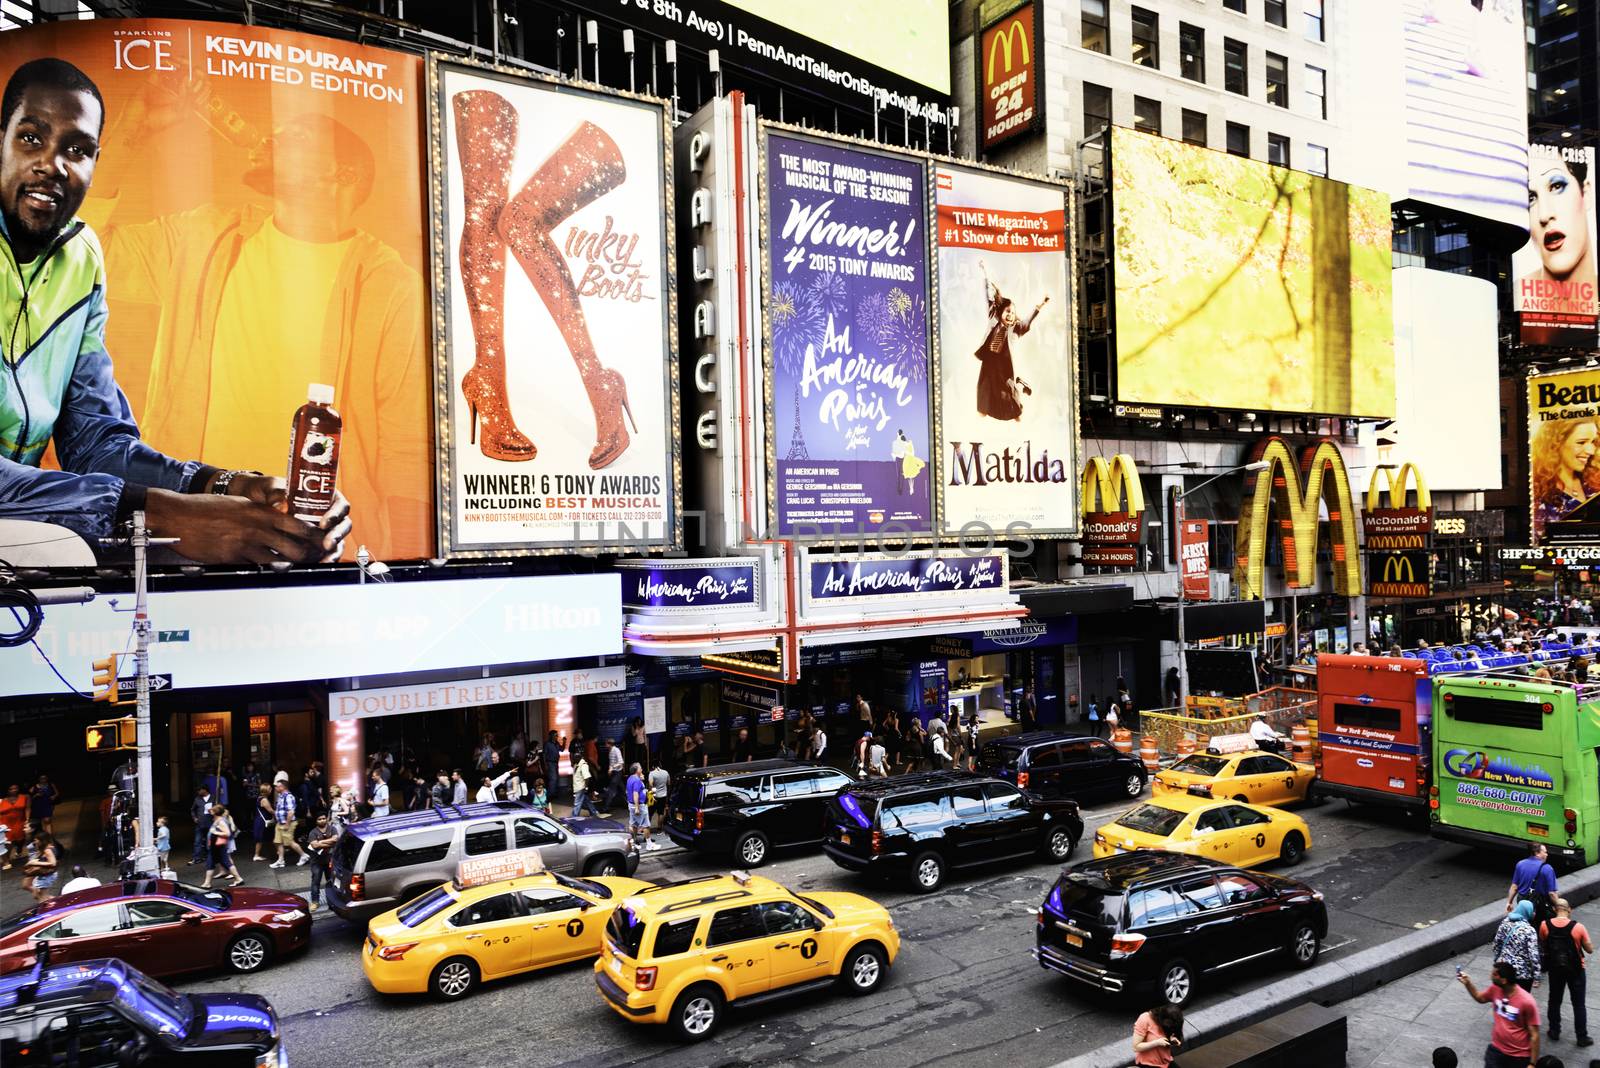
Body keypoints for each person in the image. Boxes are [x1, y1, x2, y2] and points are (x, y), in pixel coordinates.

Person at [0, 60, 355, 563]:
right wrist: (156, 515)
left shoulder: (81, 258)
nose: (53, 165)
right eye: (32, 138)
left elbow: (97, 442)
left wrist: (230, 486)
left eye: (77, 150)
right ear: (1, 139)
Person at [1522, 150, 1595, 318]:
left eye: (1556, 186)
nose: (1544, 216)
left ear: (1586, 193)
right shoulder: (1517, 295)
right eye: (1531, 198)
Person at [974, 259, 1047, 422]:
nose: (1010, 315)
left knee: (1010, 397)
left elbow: (1027, 321)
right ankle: (978, 423)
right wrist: (985, 272)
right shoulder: (993, 318)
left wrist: (1038, 307)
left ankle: (1020, 420)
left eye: (1013, 313)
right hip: (989, 363)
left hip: (1004, 367)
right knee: (984, 393)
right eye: (1007, 311)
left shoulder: (1015, 329)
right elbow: (989, 295)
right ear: (1001, 312)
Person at [1460, 960, 1541, 1068]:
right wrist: (1468, 983)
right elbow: (1480, 998)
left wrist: (1532, 1064)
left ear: (1504, 980)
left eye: (1494, 974)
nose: (1490, 976)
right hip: (1496, 1050)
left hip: (1518, 1057)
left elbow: (1534, 1035)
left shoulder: (1527, 1002)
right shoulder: (1495, 989)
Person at [1531, 419, 1600, 543]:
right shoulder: (1539, 495)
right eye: (1581, 442)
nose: (1590, 450)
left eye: (1593, 442)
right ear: (1556, 444)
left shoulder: (1593, 483)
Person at [1540, 898, 1593, 1046]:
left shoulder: (1545, 925)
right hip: (1576, 970)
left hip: (1555, 969)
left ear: (1555, 909)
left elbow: (1544, 944)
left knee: (1554, 1001)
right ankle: (1582, 1037)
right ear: (1569, 909)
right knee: (1579, 1004)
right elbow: (1589, 949)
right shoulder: (1579, 927)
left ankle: (1554, 1031)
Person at [1495, 900, 1543, 992]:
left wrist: (1497, 959)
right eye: (1532, 910)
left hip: (1504, 969)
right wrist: (1537, 976)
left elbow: (1497, 943)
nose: (1534, 913)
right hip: (1522, 974)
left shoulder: (1504, 922)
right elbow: (1534, 955)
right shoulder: (1529, 930)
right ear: (1527, 912)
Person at [1510, 843, 1560, 921]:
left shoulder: (1520, 864)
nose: (1547, 855)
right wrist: (1559, 907)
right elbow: (1552, 893)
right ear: (1537, 853)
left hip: (1523, 903)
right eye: (1545, 852)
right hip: (1540, 906)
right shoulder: (1547, 868)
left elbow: (1514, 887)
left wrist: (1509, 902)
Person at [200, 804, 241, 888]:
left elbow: (227, 833)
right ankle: (207, 883)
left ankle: (238, 879)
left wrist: (215, 832)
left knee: (224, 862)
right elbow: (208, 811)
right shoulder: (217, 819)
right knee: (212, 863)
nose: (211, 811)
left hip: (218, 846)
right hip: (215, 847)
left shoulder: (221, 821)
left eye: (213, 810)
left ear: (216, 812)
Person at [305, 814, 339, 912]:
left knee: (331, 881)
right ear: (316, 821)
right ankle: (315, 902)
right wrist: (330, 842)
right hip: (317, 862)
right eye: (319, 819)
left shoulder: (332, 829)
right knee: (316, 882)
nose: (322, 820)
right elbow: (314, 846)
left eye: (324, 818)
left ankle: (332, 901)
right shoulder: (313, 832)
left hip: (329, 860)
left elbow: (336, 840)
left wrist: (320, 843)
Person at [269, 781, 308, 868]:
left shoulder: (288, 797)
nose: (275, 788)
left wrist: (287, 824)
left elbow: (291, 812)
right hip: (280, 823)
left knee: (289, 842)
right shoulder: (280, 796)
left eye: (277, 786)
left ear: (282, 787)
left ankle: (303, 855)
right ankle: (281, 860)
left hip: (287, 823)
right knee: (277, 841)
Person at [625, 763, 653, 851]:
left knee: (633, 825)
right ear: (637, 770)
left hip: (631, 804)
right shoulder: (636, 780)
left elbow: (630, 791)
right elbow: (635, 794)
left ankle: (633, 843)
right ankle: (649, 845)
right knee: (646, 825)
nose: (642, 769)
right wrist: (637, 808)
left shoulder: (630, 778)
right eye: (640, 768)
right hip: (639, 805)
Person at [25, 831, 57, 901]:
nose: (35, 842)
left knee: (43, 897)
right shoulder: (46, 848)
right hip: (45, 874)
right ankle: (53, 902)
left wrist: (35, 863)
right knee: (41, 896)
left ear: (42, 840)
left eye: (36, 840)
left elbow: (53, 863)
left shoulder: (47, 850)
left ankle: (49, 907)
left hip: (47, 875)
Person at [0, 784, 26, 869]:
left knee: (20, 839)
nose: (14, 790)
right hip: (4, 824)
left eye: (16, 788)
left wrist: (28, 819)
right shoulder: (1, 800)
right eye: (11, 789)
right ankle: (6, 860)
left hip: (19, 821)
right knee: (8, 842)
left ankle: (19, 850)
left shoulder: (24, 797)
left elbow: (27, 808)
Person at [187, 784, 213, 866]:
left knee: (209, 841)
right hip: (200, 823)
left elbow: (220, 808)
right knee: (197, 841)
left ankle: (210, 857)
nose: (198, 792)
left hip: (210, 823)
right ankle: (196, 858)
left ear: (205, 790)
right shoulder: (197, 799)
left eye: (199, 790)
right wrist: (194, 818)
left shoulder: (214, 798)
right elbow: (192, 810)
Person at [602, 738, 626, 814]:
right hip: (614, 773)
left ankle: (606, 807)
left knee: (611, 790)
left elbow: (621, 762)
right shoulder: (610, 751)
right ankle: (629, 803)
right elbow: (611, 762)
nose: (605, 745)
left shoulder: (616, 750)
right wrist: (610, 769)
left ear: (609, 744)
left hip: (618, 772)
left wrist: (612, 768)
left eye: (606, 743)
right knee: (622, 789)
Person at [648, 761, 670, 830]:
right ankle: (659, 827)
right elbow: (669, 783)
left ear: (653, 766)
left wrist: (653, 794)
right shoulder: (666, 772)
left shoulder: (652, 773)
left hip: (654, 796)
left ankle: (647, 828)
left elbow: (650, 785)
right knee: (660, 812)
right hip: (663, 796)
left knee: (650, 813)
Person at [543, 732, 564, 800]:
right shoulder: (547, 744)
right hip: (550, 762)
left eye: (557, 735)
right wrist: (545, 764)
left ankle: (554, 793)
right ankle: (550, 795)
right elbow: (544, 754)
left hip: (556, 763)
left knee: (556, 778)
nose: (557, 736)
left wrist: (564, 742)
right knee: (553, 779)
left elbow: (562, 749)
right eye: (555, 735)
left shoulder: (556, 743)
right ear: (551, 736)